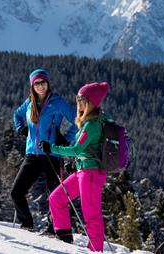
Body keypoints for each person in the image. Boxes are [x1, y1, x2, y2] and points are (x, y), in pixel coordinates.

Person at [40, 82, 110, 251]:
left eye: (82, 99)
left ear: (91, 102)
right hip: (83, 171)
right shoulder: (88, 122)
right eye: (77, 98)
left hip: (91, 174)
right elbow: (84, 149)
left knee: (91, 215)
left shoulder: (92, 125)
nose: (78, 102)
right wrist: (76, 163)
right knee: (57, 198)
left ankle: (95, 250)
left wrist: (52, 148)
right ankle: (64, 239)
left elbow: (77, 148)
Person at [12, 68, 77, 233]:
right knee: (16, 192)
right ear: (32, 86)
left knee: (55, 195)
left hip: (51, 154)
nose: (41, 86)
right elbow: (17, 115)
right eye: (37, 83)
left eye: (43, 82)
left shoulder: (57, 102)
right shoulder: (29, 103)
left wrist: (66, 138)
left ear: (48, 83)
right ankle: (26, 225)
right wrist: (21, 129)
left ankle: (54, 228)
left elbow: (79, 120)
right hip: (32, 154)